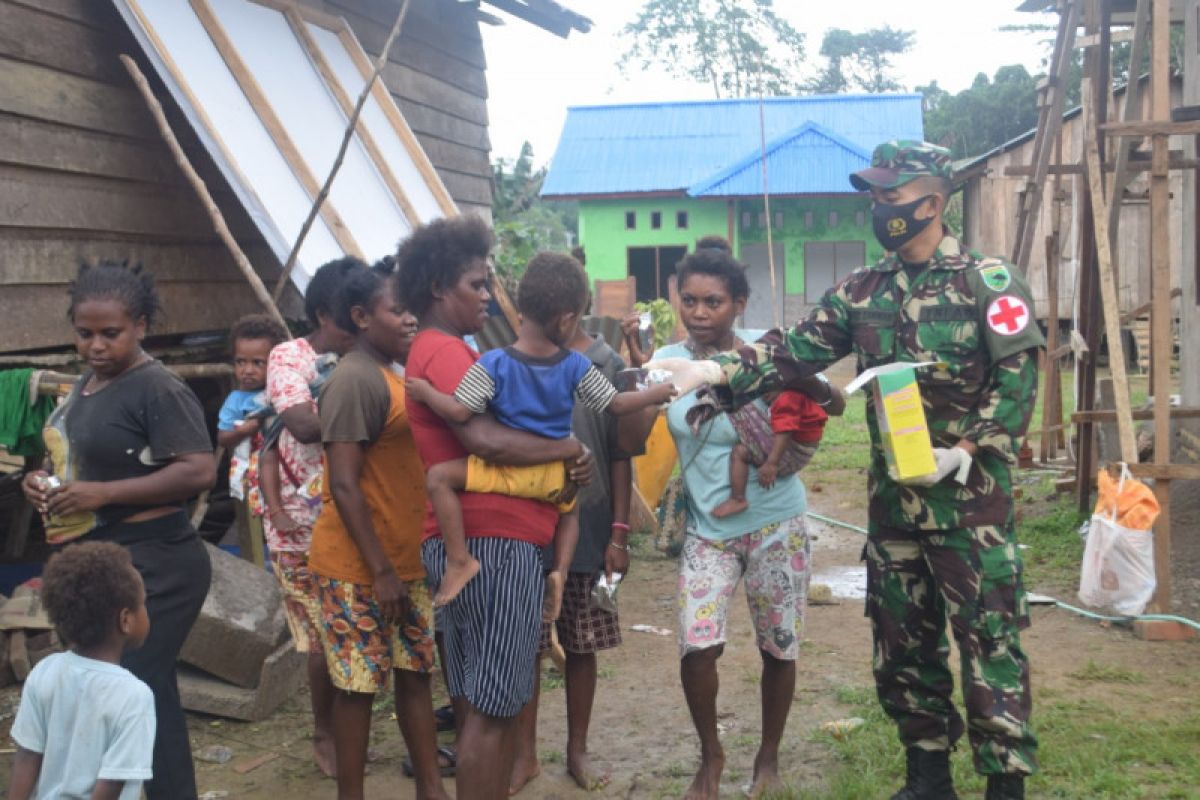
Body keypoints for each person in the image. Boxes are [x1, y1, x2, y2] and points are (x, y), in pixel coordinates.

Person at [658, 141, 1044, 800]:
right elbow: (793, 349)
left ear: (934, 199)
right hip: (895, 506)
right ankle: (927, 777)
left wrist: (970, 449)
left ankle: (1004, 786)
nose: (880, 207)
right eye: (875, 196)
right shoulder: (863, 291)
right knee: (902, 645)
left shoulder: (989, 282)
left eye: (891, 196)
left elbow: (1018, 380)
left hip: (969, 508)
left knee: (989, 641)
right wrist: (719, 368)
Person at [398, 216, 595, 800]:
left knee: (477, 700)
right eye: (475, 285)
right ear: (439, 288)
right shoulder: (452, 356)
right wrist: (568, 447)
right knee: (493, 709)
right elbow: (485, 440)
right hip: (498, 543)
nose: (487, 296)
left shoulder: (436, 351)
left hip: (472, 543)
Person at [643, 244, 840, 800]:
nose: (700, 312)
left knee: (779, 646)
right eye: (689, 301)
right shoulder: (666, 360)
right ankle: (712, 756)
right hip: (709, 530)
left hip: (778, 523)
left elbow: (832, 402)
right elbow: (630, 430)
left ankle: (768, 758)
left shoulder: (767, 354)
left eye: (713, 302)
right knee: (697, 646)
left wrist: (801, 382)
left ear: (739, 303)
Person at [21, 261, 214, 799]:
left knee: (130, 686)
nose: (96, 346)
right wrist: (38, 482)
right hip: (105, 561)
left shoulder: (157, 387)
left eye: (112, 333)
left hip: (158, 560)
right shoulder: (84, 387)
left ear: (142, 327)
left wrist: (104, 494)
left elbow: (199, 470)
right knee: (142, 690)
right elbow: (66, 459)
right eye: (85, 334)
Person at [405, 252, 674, 607]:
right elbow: (617, 404)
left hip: (509, 476)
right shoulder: (577, 365)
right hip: (555, 478)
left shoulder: (493, 362)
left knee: (439, 478)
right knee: (571, 510)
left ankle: (458, 560)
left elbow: (457, 411)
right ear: (567, 321)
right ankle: (560, 572)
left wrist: (426, 392)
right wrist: (658, 391)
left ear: (520, 310)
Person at [307, 261, 449, 800]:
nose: (411, 318)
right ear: (362, 317)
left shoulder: (393, 373)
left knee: (414, 676)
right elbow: (343, 484)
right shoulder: (353, 379)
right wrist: (381, 571)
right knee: (358, 688)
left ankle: (431, 790)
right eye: (399, 310)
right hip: (358, 568)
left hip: (405, 561)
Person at [507, 290, 655, 794]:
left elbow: (620, 452)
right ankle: (524, 754)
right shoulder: (519, 358)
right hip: (527, 524)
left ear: (566, 314)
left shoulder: (604, 362)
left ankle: (577, 749)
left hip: (590, 527)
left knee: (582, 643)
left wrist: (620, 532)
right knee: (526, 643)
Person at [260, 257, 360, 777]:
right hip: (299, 524)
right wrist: (367, 418)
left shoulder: (364, 360)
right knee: (324, 637)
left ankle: (348, 725)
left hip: (356, 517)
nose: (361, 327)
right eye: (352, 316)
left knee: (351, 630)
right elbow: (300, 423)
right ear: (325, 314)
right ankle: (325, 730)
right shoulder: (289, 357)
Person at [8, 541, 154, 800]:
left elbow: (28, 755)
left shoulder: (44, 672)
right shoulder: (134, 696)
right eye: (142, 603)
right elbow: (110, 784)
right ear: (125, 620)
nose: (146, 611)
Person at [215, 314, 288, 512]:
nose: (247, 370)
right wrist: (244, 430)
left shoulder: (285, 389)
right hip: (257, 474)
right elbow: (223, 437)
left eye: (257, 363)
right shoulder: (236, 401)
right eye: (240, 362)